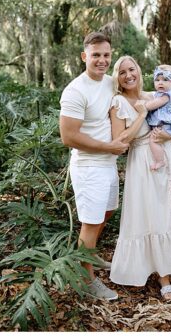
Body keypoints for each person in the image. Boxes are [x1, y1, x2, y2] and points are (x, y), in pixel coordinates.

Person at [107, 56, 171, 300]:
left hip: (165, 158)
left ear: (139, 71)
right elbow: (121, 139)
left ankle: (165, 272)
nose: (128, 75)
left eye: (132, 69)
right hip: (142, 162)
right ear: (118, 76)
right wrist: (139, 116)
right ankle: (145, 270)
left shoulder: (151, 95)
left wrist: (170, 136)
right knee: (147, 214)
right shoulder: (118, 102)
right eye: (122, 71)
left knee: (167, 212)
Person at [58, 31, 128, 300]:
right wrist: (109, 147)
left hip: (108, 164)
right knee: (91, 222)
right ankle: (86, 281)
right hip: (88, 167)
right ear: (84, 56)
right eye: (96, 55)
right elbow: (69, 137)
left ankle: (92, 255)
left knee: (108, 211)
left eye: (106, 55)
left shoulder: (110, 82)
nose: (101, 60)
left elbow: (133, 93)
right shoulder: (75, 91)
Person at [143, 65, 171, 170]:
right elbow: (148, 94)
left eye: (165, 80)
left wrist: (145, 106)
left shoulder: (165, 96)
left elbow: (153, 105)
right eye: (157, 80)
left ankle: (160, 161)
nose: (160, 82)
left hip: (163, 125)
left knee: (153, 140)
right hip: (169, 124)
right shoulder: (160, 93)